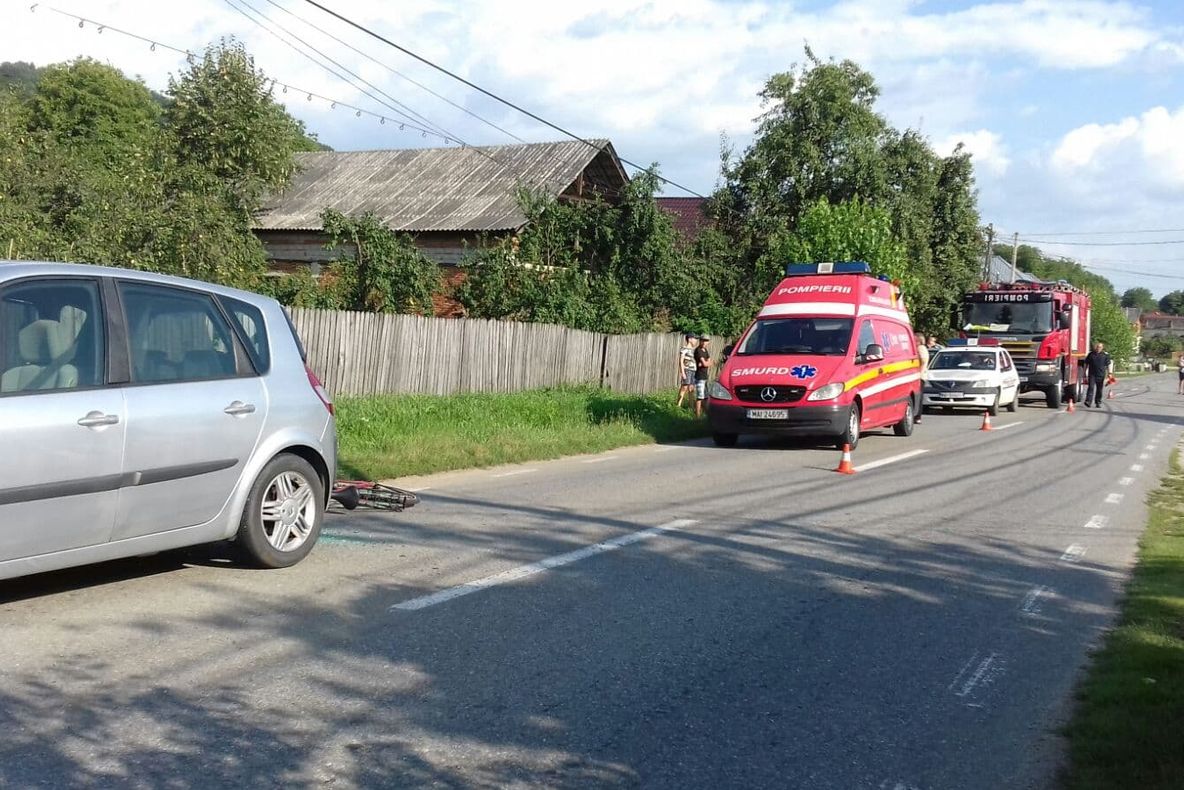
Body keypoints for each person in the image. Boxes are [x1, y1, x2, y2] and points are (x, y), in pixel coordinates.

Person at [1083, 341, 1112, 408]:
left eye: (1099, 347)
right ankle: (1088, 401)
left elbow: (1108, 365)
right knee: (1091, 387)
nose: (1098, 348)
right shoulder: (1091, 354)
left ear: (1102, 348)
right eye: (1097, 347)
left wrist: (1109, 373)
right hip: (1092, 374)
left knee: (1099, 389)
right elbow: (1086, 364)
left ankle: (1098, 402)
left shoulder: (1105, 355)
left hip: (1101, 375)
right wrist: (1084, 372)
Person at [676, 333, 697, 408]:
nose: (696, 340)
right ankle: (677, 405)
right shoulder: (684, 349)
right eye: (694, 339)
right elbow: (681, 360)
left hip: (694, 371)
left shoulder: (695, 350)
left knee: (691, 389)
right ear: (690, 339)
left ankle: (691, 406)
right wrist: (682, 372)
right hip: (687, 370)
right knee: (684, 387)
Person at [693, 335, 712, 418]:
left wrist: (706, 363)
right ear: (700, 341)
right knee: (700, 397)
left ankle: (706, 414)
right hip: (700, 376)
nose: (704, 342)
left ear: (708, 342)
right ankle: (697, 416)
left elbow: (710, 361)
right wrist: (706, 363)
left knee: (706, 396)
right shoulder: (698, 350)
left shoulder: (705, 350)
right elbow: (705, 363)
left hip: (705, 376)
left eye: (706, 341)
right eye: (703, 340)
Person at [915, 332, 929, 423]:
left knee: (918, 396)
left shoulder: (921, 348)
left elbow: (923, 361)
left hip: (920, 376)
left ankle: (917, 416)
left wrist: (918, 373)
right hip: (919, 375)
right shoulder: (920, 348)